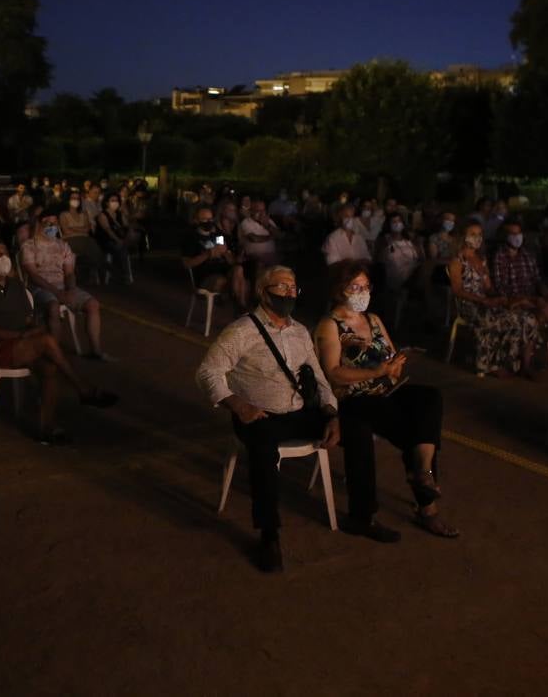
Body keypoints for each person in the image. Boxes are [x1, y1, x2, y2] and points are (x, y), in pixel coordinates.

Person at [196, 266, 338, 572]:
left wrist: (331, 412)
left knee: (352, 423)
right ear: (264, 292)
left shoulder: (300, 331)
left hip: (298, 411)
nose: (289, 292)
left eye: (293, 287)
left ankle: (363, 513)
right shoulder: (242, 330)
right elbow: (207, 371)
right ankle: (269, 534)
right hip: (258, 415)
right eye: (282, 286)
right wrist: (237, 404)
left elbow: (320, 377)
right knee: (262, 453)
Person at [314, 260, 457, 541]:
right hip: (355, 397)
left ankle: (422, 473)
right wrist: (375, 371)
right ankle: (422, 503)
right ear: (339, 290)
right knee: (411, 424)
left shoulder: (374, 320)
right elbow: (332, 373)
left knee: (429, 398)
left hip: (385, 390)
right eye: (355, 286)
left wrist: (395, 366)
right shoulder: (329, 325)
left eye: (366, 287)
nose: (362, 292)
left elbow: (390, 355)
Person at [0, 241, 117, 444]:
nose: (3, 258)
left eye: (4, 253)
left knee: (49, 366)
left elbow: (29, 320)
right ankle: (83, 389)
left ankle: (46, 428)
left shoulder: (17, 286)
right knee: (46, 342)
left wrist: (34, 330)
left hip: (23, 345)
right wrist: (19, 336)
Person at [448, 222, 543, 376]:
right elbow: (457, 290)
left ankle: (524, 363)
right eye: (473, 234)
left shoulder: (481, 259)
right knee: (500, 319)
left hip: (486, 302)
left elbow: (489, 288)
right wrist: (482, 300)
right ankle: (492, 364)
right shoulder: (457, 261)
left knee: (526, 318)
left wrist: (500, 299)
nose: (477, 238)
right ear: (463, 237)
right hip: (469, 305)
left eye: (479, 234)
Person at [18, 209, 112, 360]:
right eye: (48, 223)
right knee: (53, 307)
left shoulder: (63, 246)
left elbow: (69, 273)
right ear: (39, 224)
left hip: (62, 286)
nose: (52, 226)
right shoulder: (29, 246)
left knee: (93, 304)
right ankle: (55, 352)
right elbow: (34, 276)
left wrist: (71, 290)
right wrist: (57, 293)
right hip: (40, 287)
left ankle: (96, 350)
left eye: (55, 223)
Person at [491, 221, 548, 323]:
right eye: (513, 234)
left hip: (533, 298)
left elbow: (536, 278)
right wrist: (525, 299)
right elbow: (500, 287)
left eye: (519, 233)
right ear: (506, 236)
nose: (517, 237)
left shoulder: (527, 254)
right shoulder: (500, 257)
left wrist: (544, 289)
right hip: (515, 302)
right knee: (539, 317)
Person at [182, 206, 247, 307]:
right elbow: (187, 263)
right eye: (204, 219)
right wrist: (208, 254)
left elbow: (230, 260)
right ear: (196, 220)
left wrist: (226, 252)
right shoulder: (191, 238)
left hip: (223, 271)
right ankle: (238, 305)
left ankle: (240, 304)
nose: (208, 222)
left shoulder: (217, 236)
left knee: (238, 269)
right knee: (227, 282)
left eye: (210, 219)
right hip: (205, 275)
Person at [94, 192, 133, 282]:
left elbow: (126, 226)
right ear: (107, 202)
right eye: (112, 200)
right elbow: (108, 230)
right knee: (121, 248)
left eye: (117, 201)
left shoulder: (119, 214)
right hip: (105, 240)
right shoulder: (102, 215)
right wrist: (118, 240)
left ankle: (123, 274)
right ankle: (124, 274)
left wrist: (125, 239)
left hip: (119, 239)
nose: (115, 202)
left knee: (123, 247)